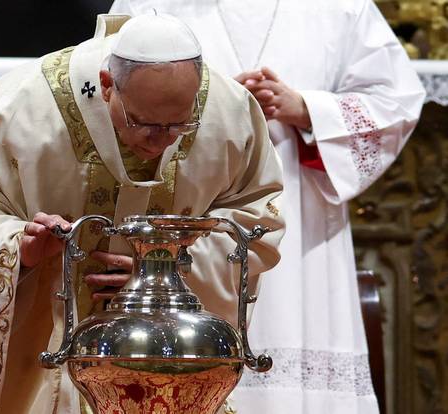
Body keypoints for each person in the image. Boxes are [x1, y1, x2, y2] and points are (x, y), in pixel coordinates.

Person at [0, 13, 285, 413]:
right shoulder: (23, 107)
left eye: (179, 125)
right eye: (142, 122)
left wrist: (168, 270)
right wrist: (20, 249)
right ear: (107, 86)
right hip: (39, 350)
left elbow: (258, 222)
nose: (158, 142)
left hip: (162, 353)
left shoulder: (228, 113)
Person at [109, 1, 426, 413]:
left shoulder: (342, 8)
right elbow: (109, 93)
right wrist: (215, 105)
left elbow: (396, 101)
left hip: (302, 225)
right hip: (197, 213)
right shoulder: (150, 4)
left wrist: (308, 110)